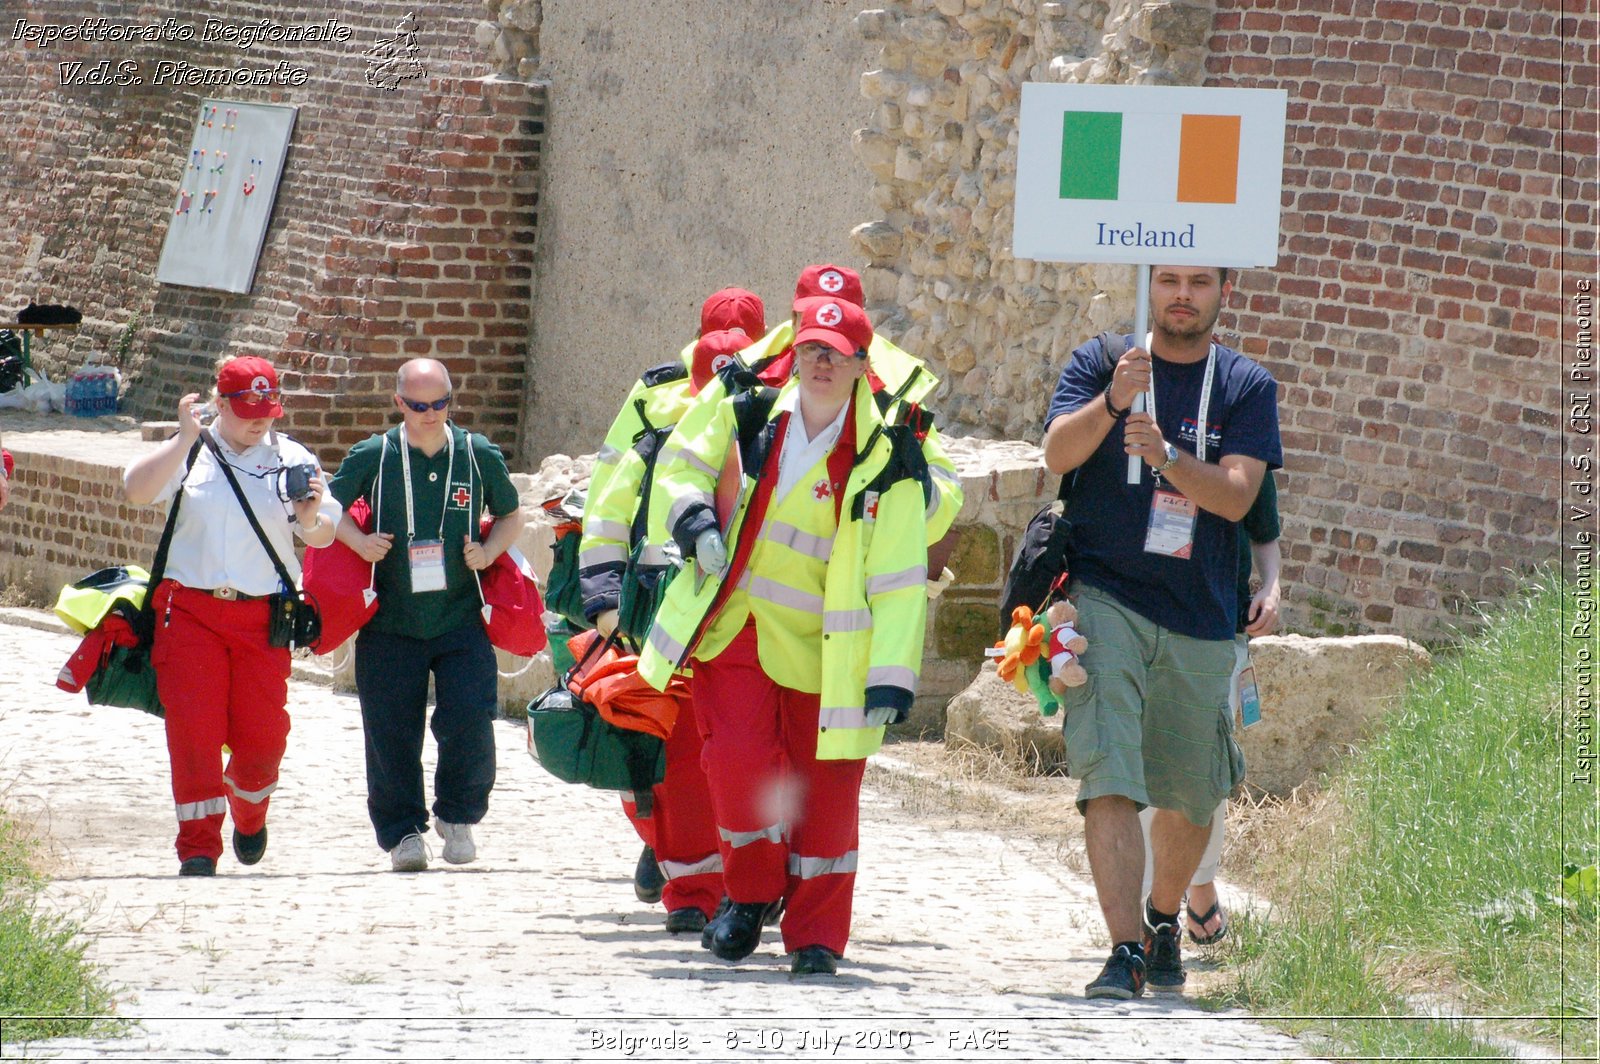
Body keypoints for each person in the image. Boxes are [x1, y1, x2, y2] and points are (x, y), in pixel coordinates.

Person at [639, 297, 951, 976]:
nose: (821, 362)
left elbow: (898, 577)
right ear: (795, 351)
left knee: (827, 792)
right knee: (737, 770)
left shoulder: (888, 452)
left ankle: (815, 935)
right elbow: (682, 462)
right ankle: (748, 898)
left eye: (837, 353)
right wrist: (693, 520)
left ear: (864, 365)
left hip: (833, 648)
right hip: (741, 628)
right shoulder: (748, 409)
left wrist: (893, 673)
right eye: (812, 348)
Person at [1041, 264, 1282, 998]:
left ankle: (1163, 920)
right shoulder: (1100, 359)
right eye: (1170, 279)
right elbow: (1056, 455)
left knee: (1189, 791)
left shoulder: (1245, 385)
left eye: (1200, 282)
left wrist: (1168, 459)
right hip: (1105, 594)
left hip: (1201, 611)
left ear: (1224, 293)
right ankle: (1122, 951)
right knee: (1109, 767)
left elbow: (1240, 499)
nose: (1183, 293)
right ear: (1151, 285)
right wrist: (1113, 401)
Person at [580, 287, 767, 910]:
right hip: (676, 601)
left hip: (696, 603)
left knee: (683, 746)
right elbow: (614, 499)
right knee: (695, 745)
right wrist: (609, 596)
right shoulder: (668, 401)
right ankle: (692, 871)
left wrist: (604, 594)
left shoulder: (665, 397)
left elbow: (605, 501)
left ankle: (698, 878)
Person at [122, 356, 340, 876]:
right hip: (191, 612)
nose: (259, 420)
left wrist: (310, 520)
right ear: (220, 404)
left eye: (268, 409)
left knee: (263, 739)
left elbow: (324, 530)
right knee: (194, 732)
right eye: (246, 409)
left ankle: (248, 809)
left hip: (262, 618)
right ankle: (198, 846)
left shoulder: (290, 457)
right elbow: (135, 490)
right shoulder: (192, 452)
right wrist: (181, 439)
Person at [327, 358, 526, 872]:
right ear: (399, 403)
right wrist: (360, 540)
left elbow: (511, 513)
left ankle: (457, 816)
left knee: (470, 720)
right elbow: (327, 510)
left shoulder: (476, 452)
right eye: (418, 405)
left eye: (440, 403)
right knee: (390, 730)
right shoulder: (376, 453)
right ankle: (403, 834)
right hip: (391, 619)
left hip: (460, 615)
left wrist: (489, 551)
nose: (430, 414)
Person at [1137, 473, 1282, 944]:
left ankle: (1195, 882)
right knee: (1144, 766)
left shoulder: (1241, 423)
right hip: (1143, 612)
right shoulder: (1146, 420)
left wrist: (1271, 587)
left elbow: (1264, 530)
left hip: (1218, 620)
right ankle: (1151, 912)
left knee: (1206, 763)